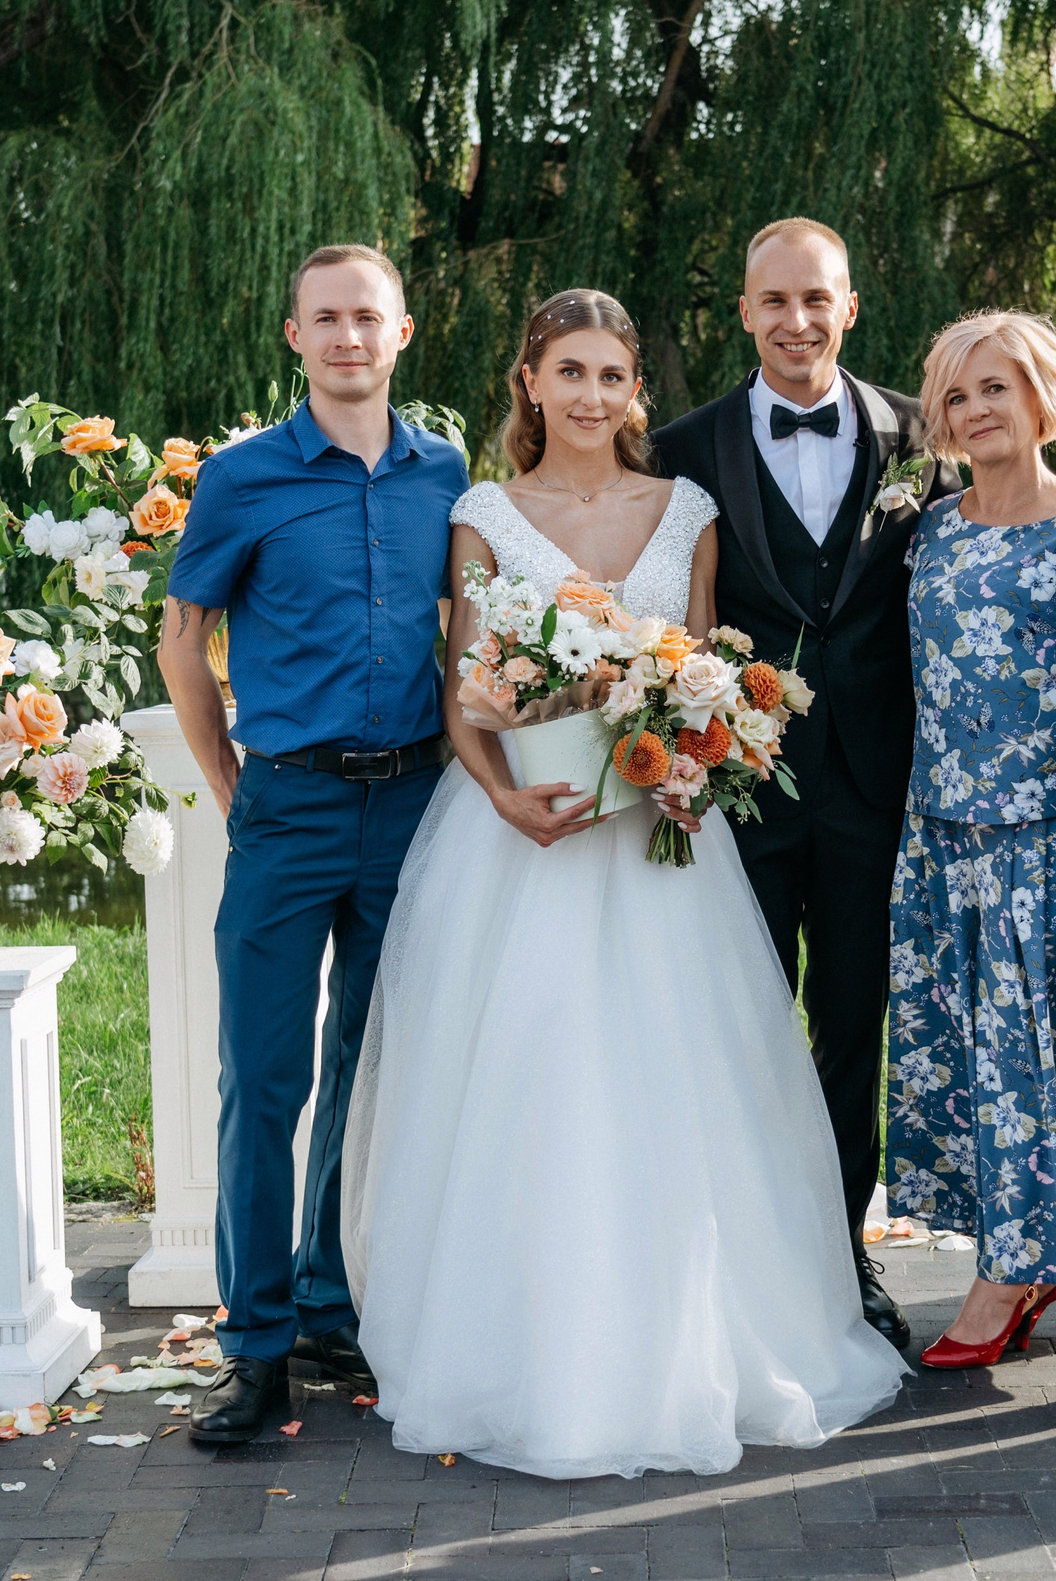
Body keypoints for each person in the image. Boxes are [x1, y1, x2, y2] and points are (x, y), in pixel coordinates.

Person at [341, 289, 907, 1480]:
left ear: (632, 389)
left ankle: (702, 1329)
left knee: (677, 1077)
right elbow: (465, 683)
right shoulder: (484, 510)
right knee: (530, 1077)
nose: (591, 395)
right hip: (523, 842)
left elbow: (700, 663)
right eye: (569, 372)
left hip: (658, 840)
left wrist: (687, 761)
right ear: (530, 383)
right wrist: (504, 794)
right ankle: (520, 1340)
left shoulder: (685, 508)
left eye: (611, 374)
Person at [157, 243, 468, 1445]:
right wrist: (230, 785)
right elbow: (184, 642)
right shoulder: (241, 479)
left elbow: (469, 631)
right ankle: (255, 1345)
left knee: (372, 1066)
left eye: (367, 318)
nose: (348, 336)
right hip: (286, 806)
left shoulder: (442, 472)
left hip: (413, 808)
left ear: (402, 332)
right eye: (325, 318)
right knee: (263, 1079)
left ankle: (333, 1299)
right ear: (294, 336)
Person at [650, 218, 962, 1353]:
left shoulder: (924, 436)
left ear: (850, 305)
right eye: (773, 301)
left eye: (815, 300)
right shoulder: (680, 448)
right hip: (738, 789)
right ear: (744, 312)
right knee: (732, 1022)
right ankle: (731, 1254)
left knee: (850, 1024)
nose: (796, 321)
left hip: (876, 789)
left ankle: (838, 1258)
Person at [883, 311, 1056, 1369]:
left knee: (1031, 1059)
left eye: (997, 386)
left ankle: (1015, 1273)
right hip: (938, 831)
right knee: (962, 1057)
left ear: (1044, 393)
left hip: (1040, 836)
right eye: (956, 395)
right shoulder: (929, 529)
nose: (977, 409)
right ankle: (1021, 1252)